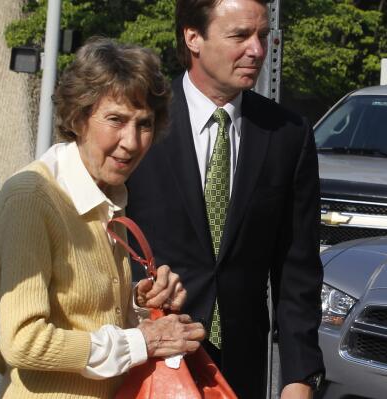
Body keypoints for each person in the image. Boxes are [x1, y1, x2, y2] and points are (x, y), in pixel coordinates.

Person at [0, 37, 206, 399]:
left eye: (144, 124)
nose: (131, 142)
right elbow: (23, 342)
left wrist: (139, 301)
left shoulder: (108, 193)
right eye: (115, 120)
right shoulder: (32, 196)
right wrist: (141, 341)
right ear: (78, 117)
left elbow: (82, 313)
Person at [126, 0, 325, 398]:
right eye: (240, 36)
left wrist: (298, 378)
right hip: (147, 366)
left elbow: (297, 270)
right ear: (193, 37)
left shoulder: (287, 135)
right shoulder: (138, 126)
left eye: (263, 36)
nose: (257, 50)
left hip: (242, 374)